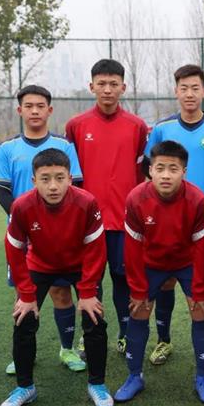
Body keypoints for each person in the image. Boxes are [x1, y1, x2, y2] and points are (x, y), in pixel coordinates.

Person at [0, 149, 112, 406]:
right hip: (40, 265)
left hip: (80, 266)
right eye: (45, 178)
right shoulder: (22, 206)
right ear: (34, 180)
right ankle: (25, 387)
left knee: (94, 318)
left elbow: (96, 249)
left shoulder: (86, 202)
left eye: (60, 178)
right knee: (23, 319)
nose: (53, 186)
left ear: (70, 178)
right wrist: (26, 295)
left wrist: (87, 292)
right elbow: (14, 249)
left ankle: (97, 384)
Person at [0, 85, 85, 376]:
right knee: (24, 295)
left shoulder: (64, 146)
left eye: (40, 106)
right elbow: (3, 193)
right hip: (23, 236)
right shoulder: (6, 149)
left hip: (61, 235)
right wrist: (27, 223)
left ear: (49, 110)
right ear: (20, 110)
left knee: (61, 292)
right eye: (28, 106)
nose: (34, 111)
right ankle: (23, 354)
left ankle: (67, 349)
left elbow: (75, 187)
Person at [115, 141, 204, 404]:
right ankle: (134, 376)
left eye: (173, 169)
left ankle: (202, 377)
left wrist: (201, 289)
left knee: (201, 309)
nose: (166, 175)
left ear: (184, 171)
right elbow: (132, 249)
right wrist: (138, 290)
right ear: (150, 170)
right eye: (160, 168)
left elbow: (203, 248)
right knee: (138, 310)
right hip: (151, 262)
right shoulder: (136, 198)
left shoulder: (197, 199)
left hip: (187, 261)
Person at [143, 64, 204, 366]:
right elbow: (149, 171)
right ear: (176, 91)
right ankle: (164, 340)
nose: (190, 94)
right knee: (165, 281)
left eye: (195, 88)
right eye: (184, 88)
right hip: (166, 222)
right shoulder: (162, 129)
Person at [66, 59, 148, 355]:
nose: (107, 89)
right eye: (101, 84)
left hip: (124, 222)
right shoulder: (76, 126)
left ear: (123, 87)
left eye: (114, 84)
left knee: (123, 279)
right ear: (91, 87)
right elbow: (71, 177)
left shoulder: (137, 126)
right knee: (89, 282)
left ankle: (125, 334)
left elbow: (142, 175)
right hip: (88, 223)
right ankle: (91, 335)